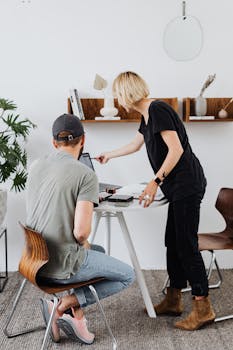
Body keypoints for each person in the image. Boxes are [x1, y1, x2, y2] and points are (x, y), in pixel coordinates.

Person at [96, 71, 215, 331]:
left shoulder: (159, 109)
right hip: (177, 187)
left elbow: (176, 150)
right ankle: (173, 299)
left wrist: (154, 182)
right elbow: (136, 145)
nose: (117, 100)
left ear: (127, 92)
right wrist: (110, 155)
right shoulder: (147, 115)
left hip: (187, 184)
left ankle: (202, 306)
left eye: (117, 95)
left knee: (185, 243)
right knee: (172, 242)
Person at [26, 113, 135, 344]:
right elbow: (81, 233)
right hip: (59, 266)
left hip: (34, 260)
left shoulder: (35, 166)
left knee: (99, 251)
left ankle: (77, 316)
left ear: (54, 143)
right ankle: (63, 305)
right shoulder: (85, 175)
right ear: (83, 140)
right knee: (127, 275)